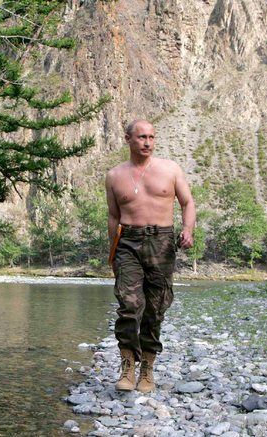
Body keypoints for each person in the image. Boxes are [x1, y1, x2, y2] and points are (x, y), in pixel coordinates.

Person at [105, 119, 196, 392]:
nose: (147, 142)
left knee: (155, 308)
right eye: (142, 137)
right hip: (127, 243)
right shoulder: (114, 176)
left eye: (151, 137)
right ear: (128, 139)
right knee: (129, 305)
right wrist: (113, 254)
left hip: (162, 241)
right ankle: (127, 365)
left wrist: (188, 229)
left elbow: (187, 202)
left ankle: (147, 368)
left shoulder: (170, 169)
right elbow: (113, 216)